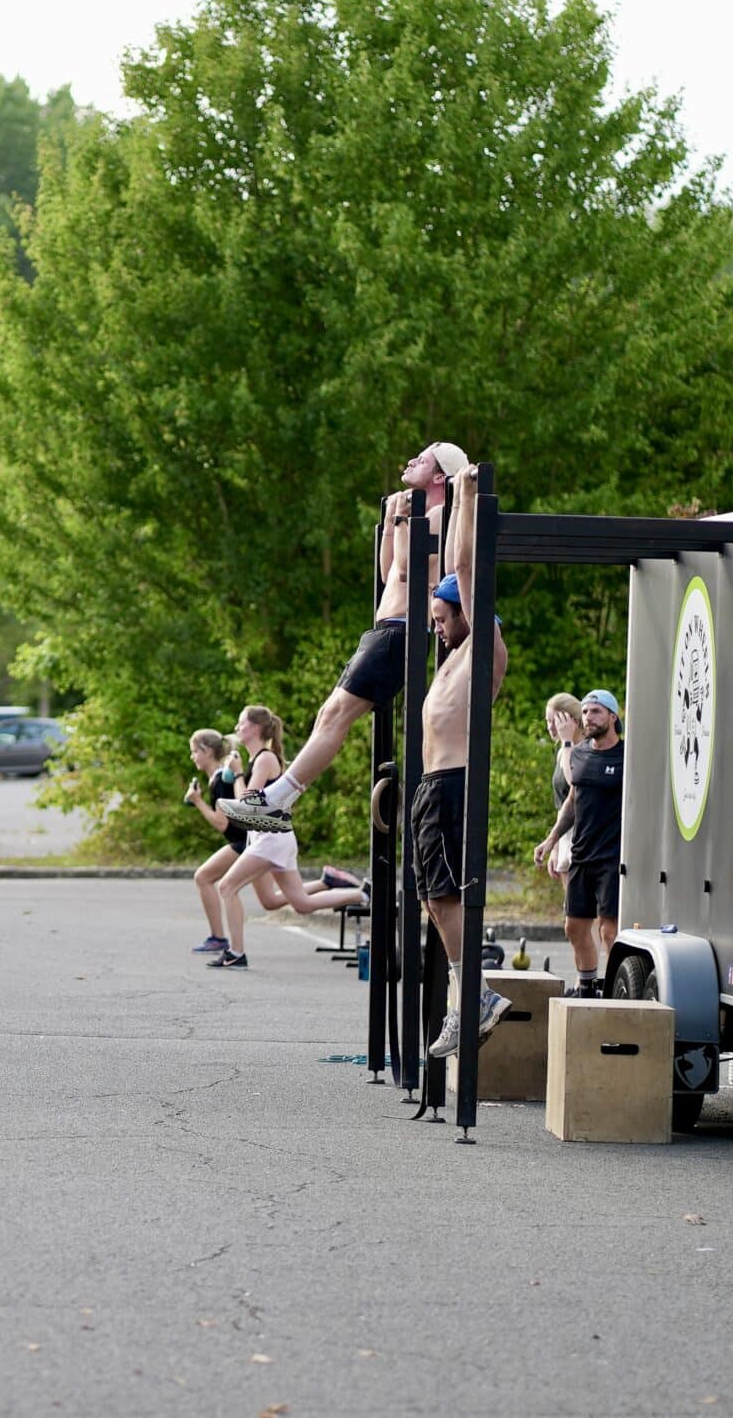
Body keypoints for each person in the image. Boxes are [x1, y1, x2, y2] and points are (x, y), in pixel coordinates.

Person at [222, 441, 469, 834]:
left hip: (401, 631)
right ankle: (278, 800)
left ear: (439, 477)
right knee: (329, 714)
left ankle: (277, 802)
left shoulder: (438, 514)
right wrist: (392, 521)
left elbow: (408, 570)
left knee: (335, 715)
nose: (410, 461)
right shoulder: (421, 515)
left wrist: (402, 519)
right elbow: (388, 574)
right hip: (387, 629)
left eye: (421, 460)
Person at [411, 469, 513, 1057]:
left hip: (454, 784)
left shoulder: (482, 647)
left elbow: (465, 566)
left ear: (467, 611)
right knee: (432, 899)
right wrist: (450, 499)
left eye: (443, 616)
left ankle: (474, 996)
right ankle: (470, 995)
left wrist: (470, 495)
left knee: (448, 896)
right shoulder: (452, 652)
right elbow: (450, 568)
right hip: (432, 785)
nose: (437, 625)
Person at [207, 708, 365, 970]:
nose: (236, 727)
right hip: (268, 838)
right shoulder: (256, 759)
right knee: (292, 903)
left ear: (255, 728)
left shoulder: (266, 759)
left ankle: (235, 953)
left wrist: (237, 774)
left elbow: (249, 803)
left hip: (271, 838)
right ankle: (362, 893)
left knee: (227, 887)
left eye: (241, 723)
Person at [534, 689, 625, 997]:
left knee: (609, 930)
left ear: (612, 716)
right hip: (581, 855)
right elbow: (572, 801)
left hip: (612, 857)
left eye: (596, 711)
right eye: (585, 712)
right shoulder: (581, 753)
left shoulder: (626, 755)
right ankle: (587, 988)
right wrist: (551, 840)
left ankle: (615, 994)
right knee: (573, 927)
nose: (589, 718)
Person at [182, 729, 244, 954]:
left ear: (207, 751)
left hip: (243, 843)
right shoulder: (217, 779)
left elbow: (221, 823)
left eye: (194, 752)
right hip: (249, 841)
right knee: (274, 899)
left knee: (203, 877)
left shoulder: (220, 781)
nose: (192, 757)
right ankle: (328, 883)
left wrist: (197, 801)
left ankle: (218, 938)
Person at [541, 691, 582, 892]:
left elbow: (574, 781)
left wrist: (567, 742)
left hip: (582, 836)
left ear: (570, 720)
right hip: (565, 836)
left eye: (554, 721)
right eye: (547, 721)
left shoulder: (583, 749)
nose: (550, 727)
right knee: (569, 906)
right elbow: (561, 803)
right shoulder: (562, 753)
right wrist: (555, 848)